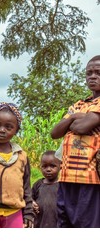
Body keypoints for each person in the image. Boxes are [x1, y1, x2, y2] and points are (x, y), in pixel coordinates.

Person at [50, 55, 100, 228]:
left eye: (98, 73)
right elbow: (55, 133)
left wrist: (73, 120)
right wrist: (74, 116)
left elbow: (82, 127)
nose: (93, 76)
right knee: (65, 223)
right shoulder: (80, 104)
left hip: (90, 178)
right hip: (66, 176)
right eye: (89, 73)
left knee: (86, 225)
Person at [32, 150, 60, 228]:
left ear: (60, 166)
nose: (48, 169)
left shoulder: (63, 185)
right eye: (44, 166)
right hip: (40, 223)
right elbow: (29, 197)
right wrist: (32, 202)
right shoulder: (38, 184)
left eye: (52, 166)